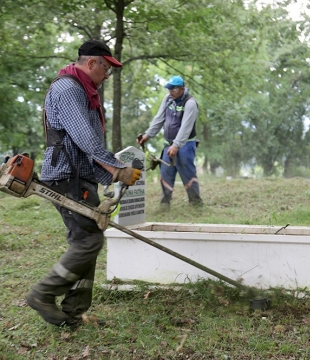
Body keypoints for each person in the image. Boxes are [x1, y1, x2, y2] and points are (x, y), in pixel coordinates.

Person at [26, 39, 142, 327]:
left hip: (79, 176)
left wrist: (110, 175)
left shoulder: (81, 89)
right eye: (106, 69)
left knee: (87, 238)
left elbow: (85, 145)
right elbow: (84, 138)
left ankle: (71, 314)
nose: (107, 76)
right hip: (67, 177)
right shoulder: (68, 89)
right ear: (91, 63)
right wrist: (117, 170)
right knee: (88, 240)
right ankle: (43, 293)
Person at [137, 75, 203, 207]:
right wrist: (148, 135)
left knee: (187, 172)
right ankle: (165, 204)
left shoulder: (190, 103)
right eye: (169, 89)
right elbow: (159, 118)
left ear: (182, 89)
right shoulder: (168, 99)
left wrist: (177, 145)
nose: (170, 92)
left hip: (185, 145)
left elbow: (186, 127)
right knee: (166, 173)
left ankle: (196, 203)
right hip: (168, 144)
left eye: (174, 90)